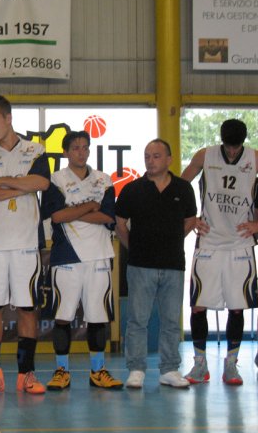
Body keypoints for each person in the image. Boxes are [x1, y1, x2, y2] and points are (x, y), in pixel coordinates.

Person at [0, 95, 50, 395]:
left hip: (27, 244)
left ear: (8, 118)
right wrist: (19, 186)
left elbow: (41, 183)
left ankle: (26, 374)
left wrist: (1, 181)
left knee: (28, 309)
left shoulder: (35, 150)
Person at [41, 130, 123, 390]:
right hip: (66, 256)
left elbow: (107, 217)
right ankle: (61, 371)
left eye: (85, 147)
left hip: (99, 255)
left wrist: (73, 211)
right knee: (62, 317)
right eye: (75, 148)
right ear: (65, 152)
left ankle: (98, 371)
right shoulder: (56, 180)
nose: (81, 152)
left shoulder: (103, 180)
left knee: (98, 317)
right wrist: (89, 206)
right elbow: (56, 216)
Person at [180, 119, 258, 386]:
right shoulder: (205, 155)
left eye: (237, 148)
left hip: (240, 243)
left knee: (237, 307)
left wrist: (257, 224)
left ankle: (231, 364)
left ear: (243, 143)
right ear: (221, 141)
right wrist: (191, 218)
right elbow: (179, 187)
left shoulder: (254, 158)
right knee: (198, 305)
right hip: (209, 242)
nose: (232, 152)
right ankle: (199, 364)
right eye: (229, 147)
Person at [115, 139, 196, 389]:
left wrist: (172, 239)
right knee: (137, 320)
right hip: (140, 265)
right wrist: (134, 247)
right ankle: (136, 369)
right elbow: (120, 224)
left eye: (156, 156)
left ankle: (169, 369)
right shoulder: (132, 189)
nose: (150, 161)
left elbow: (190, 220)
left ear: (169, 159)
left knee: (171, 321)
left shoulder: (183, 188)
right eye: (147, 156)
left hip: (173, 265)